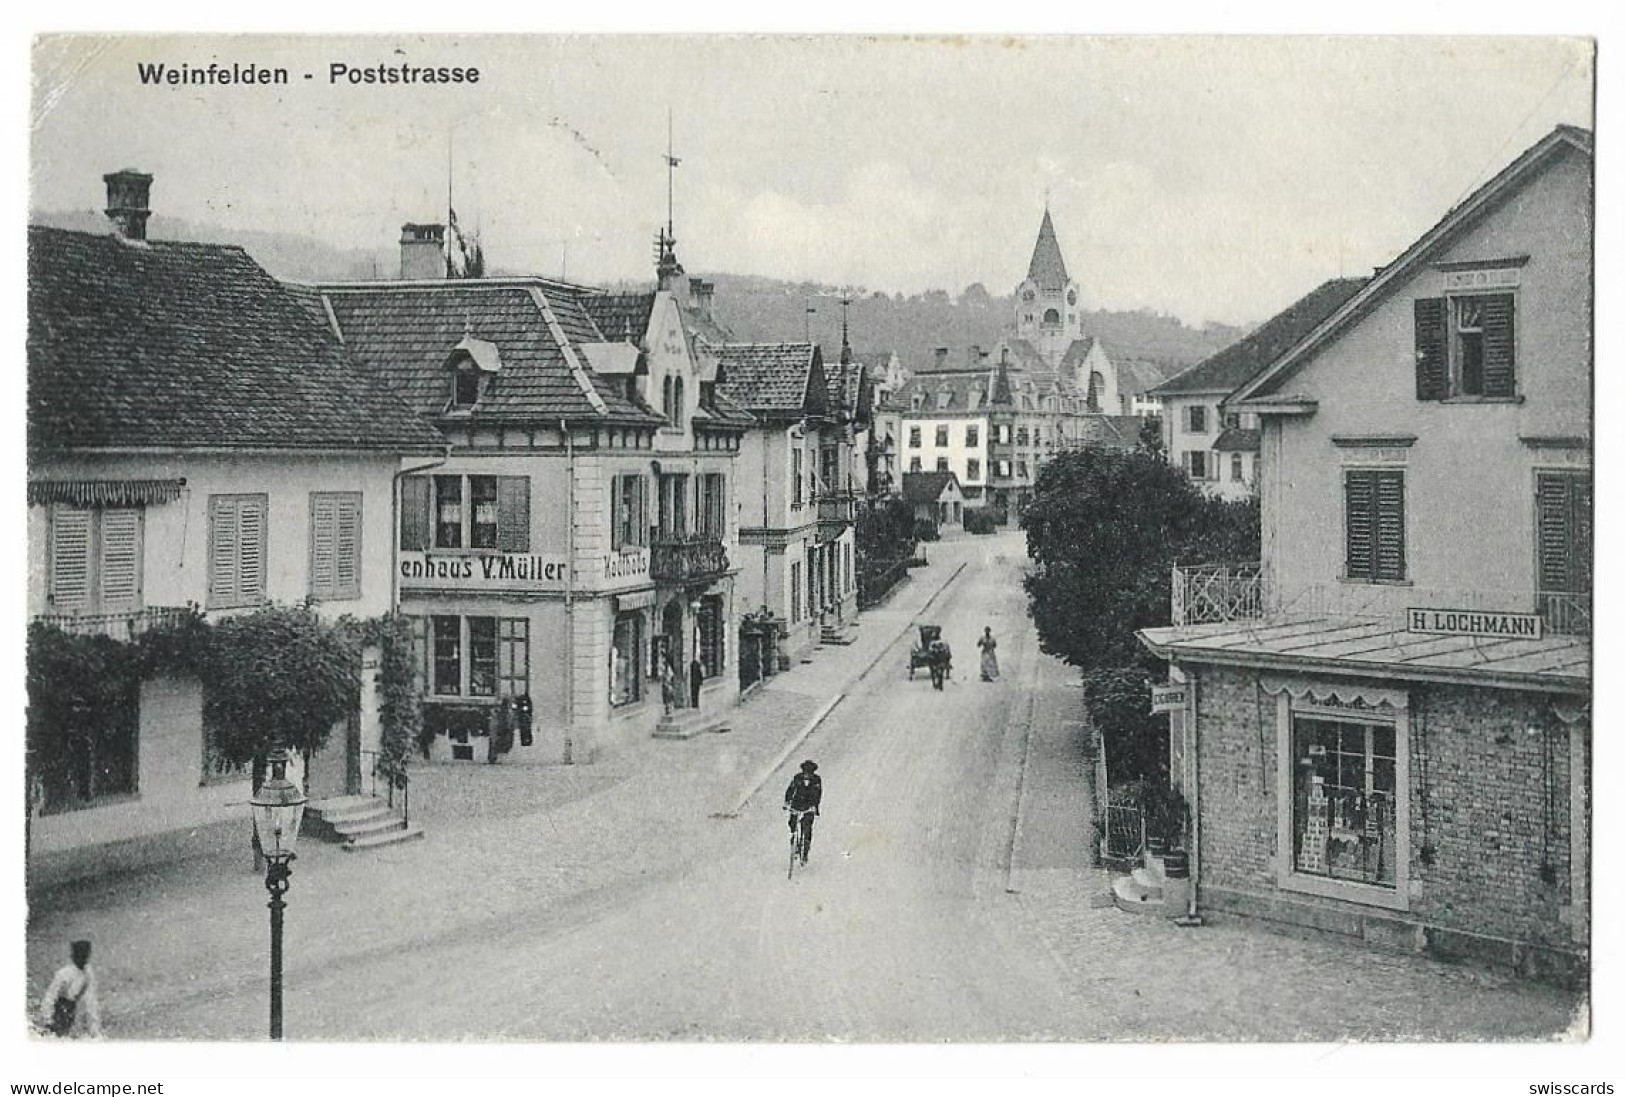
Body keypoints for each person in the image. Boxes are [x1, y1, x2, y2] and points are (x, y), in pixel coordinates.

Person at [38, 939, 100, 1038]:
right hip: (59, 1008)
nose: (83, 960)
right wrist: (47, 1019)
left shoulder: (88, 973)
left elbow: (91, 1001)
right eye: (80, 956)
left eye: (85, 957)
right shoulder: (63, 974)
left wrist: (94, 1028)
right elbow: (50, 996)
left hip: (71, 1009)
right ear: (74, 956)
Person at [783, 760, 823, 864]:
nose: (807, 774)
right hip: (796, 805)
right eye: (805, 772)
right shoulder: (797, 778)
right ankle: (794, 841)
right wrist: (787, 802)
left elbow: (818, 794)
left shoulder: (816, 780)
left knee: (807, 828)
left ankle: (805, 852)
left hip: (809, 807)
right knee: (792, 823)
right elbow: (790, 790)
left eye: (809, 772)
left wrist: (814, 806)